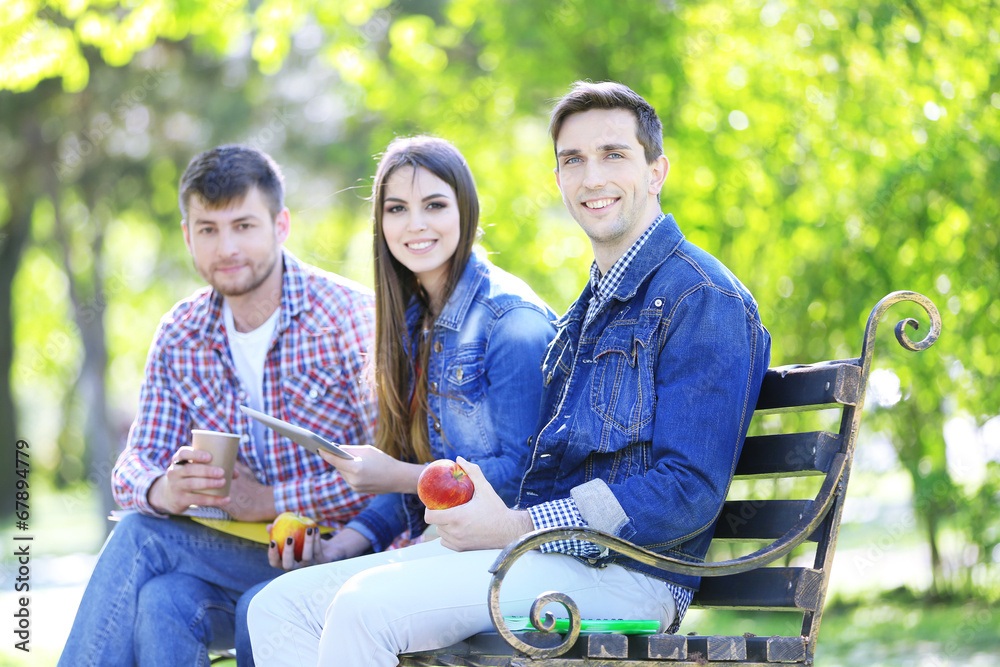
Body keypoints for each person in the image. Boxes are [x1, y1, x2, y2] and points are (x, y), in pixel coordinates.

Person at [247, 81, 771, 666]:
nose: (592, 177)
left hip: (630, 574)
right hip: (541, 558)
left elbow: (687, 490)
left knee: (364, 609)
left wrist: (520, 525)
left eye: (613, 154)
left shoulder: (701, 297)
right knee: (279, 605)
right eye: (573, 160)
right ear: (559, 181)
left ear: (656, 171)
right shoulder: (592, 306)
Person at [58, 144, 378, 667]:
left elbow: (387, 472)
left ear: (281, 225)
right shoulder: (180, 333)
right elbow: (133, 465)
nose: (226, 246)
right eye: (208, 229)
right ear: (188, 236)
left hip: (344, 552)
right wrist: (166, 487)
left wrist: (271, 499)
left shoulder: (348, 316)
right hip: (240, 553)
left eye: (244, 225)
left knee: (142, 539)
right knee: (163, 601)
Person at [242, 135, 557, 660]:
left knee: (280, 609)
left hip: (510, 559)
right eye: (397, 209)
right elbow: (404, 479)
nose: (415, 225)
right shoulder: (413, 323)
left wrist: (402, 475)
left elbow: (525, 477)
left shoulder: (511, 322)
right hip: (445, 550)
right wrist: (341, 544)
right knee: (265, 605)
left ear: (466, 209)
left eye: (434, 205)